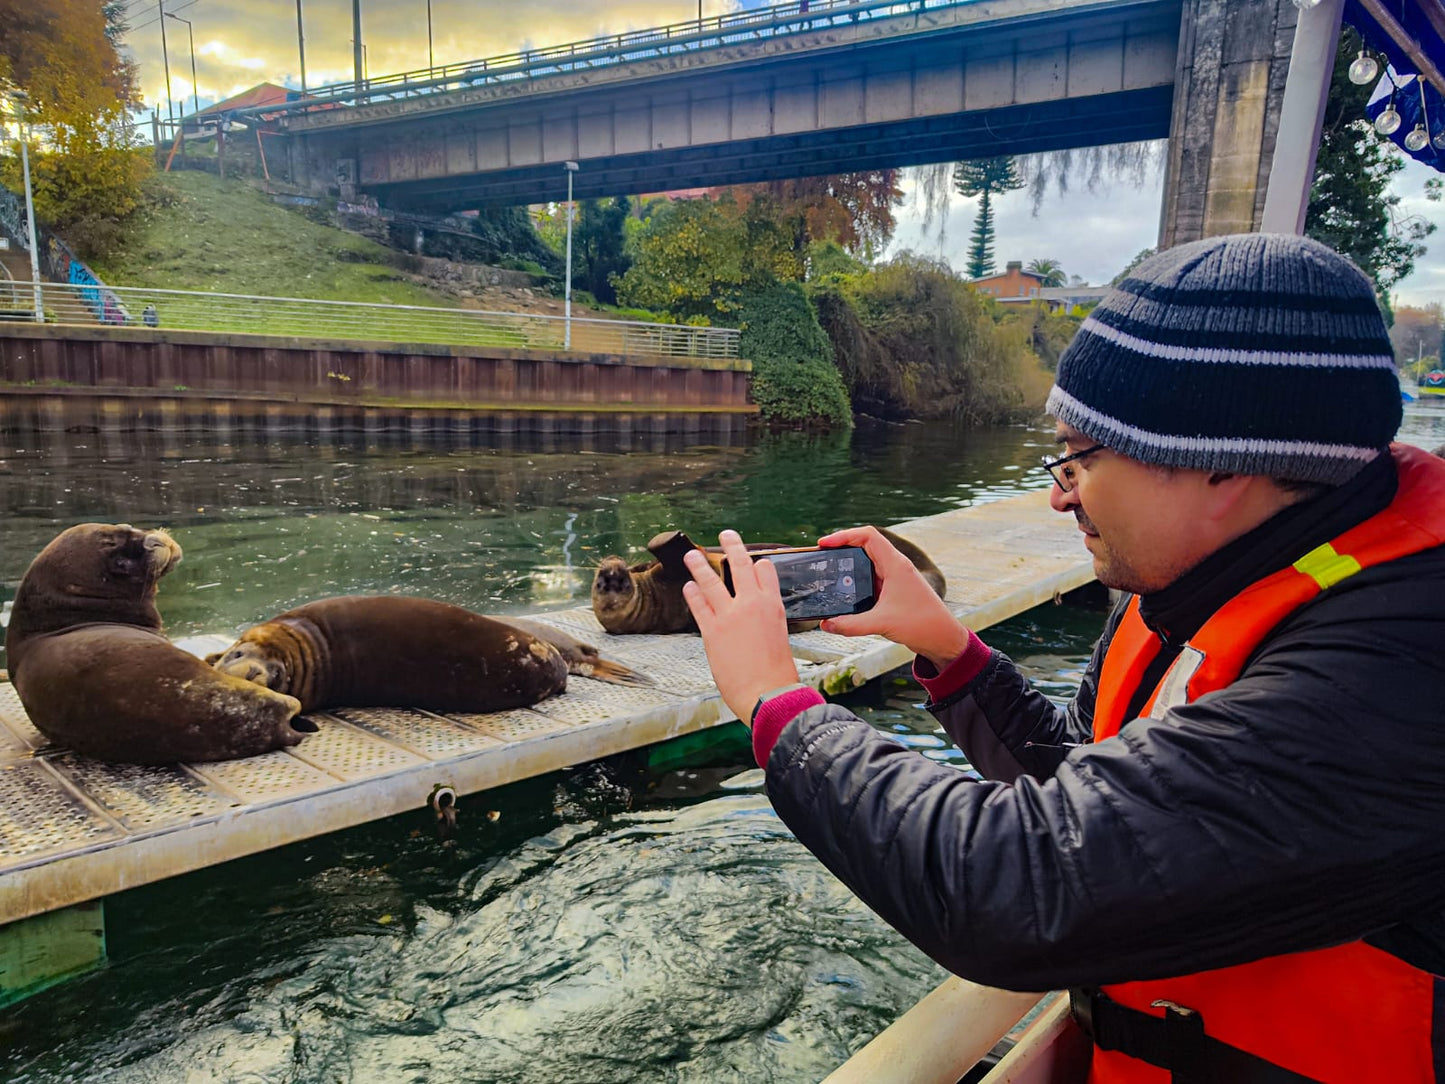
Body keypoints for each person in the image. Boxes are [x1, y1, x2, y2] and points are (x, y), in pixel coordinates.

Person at [681, 233, 1445, 1084]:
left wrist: (774, 703)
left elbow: (1017, 888)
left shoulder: (1398, 669)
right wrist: (949, 651)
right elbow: (1091, 785)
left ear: (1220, 469)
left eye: (1079, 457)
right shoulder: (1216, 581)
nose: (1056, 493)